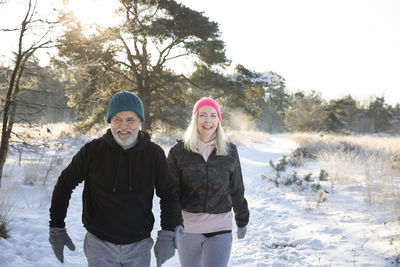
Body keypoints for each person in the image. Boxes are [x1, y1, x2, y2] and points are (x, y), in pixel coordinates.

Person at [48, 91, 183, 267]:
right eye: (117, 119)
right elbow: (65, 184)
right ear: (110, 121)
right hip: (99, 244)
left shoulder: (153, 154)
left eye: (130, 119)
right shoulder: (93, 151)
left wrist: (168, 232)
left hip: (139, 246)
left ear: (140, 121)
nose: (123, 126)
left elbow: (168, 193)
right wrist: (57, 227)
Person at [167, 97, 250, 267]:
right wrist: (171, 225)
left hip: (221, 228)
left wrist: (242, 220)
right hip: (188, 229)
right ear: (195, 119)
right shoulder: (178, 152)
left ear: (218, 120)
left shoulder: (229, 151)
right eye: (202, 115)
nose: (207, 120)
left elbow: (237, 189)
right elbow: (171, 193)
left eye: (213, 115)